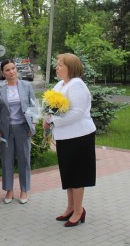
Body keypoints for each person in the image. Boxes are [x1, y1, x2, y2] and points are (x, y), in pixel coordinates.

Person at [43, 53, 96, 227]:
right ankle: (70, 207)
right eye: (57, 65)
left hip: (79, 137)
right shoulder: (60, 84)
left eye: (60, 65)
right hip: (65, 136)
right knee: (68, 174)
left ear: (70, 67)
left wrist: (53, 121)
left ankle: (79, 211)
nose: (56, 67)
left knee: (77, 174)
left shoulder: (77, 85)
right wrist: (46, 117)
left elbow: (77, 113)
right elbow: (52, 107)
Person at [0, 59, 36, 204]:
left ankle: (24, 190)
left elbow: (34, 107)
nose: (11, 72)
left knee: (24, 160)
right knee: (7, 161)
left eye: (13, 68)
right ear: (3, 73)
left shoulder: (26, 86)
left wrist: (32, 126)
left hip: (22, 128)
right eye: (8, 70)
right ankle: (9, 190)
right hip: (5, 130)